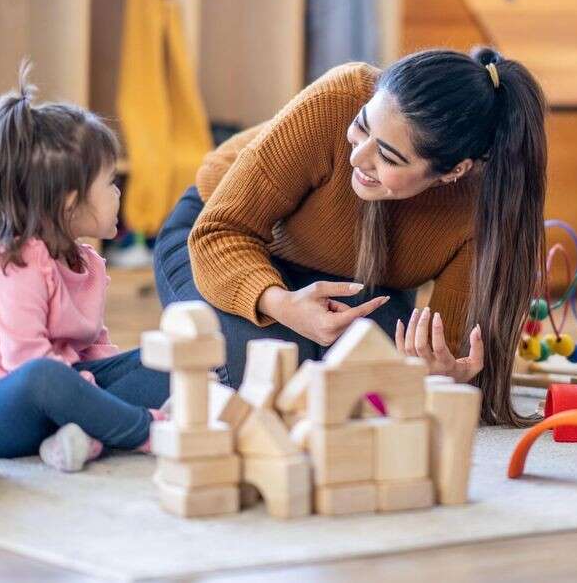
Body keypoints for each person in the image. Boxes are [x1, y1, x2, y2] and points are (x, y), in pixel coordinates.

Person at [155, 48, 547, 425]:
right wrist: (281, 304)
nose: (357, 158)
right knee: (262, 376)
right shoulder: (338, 97)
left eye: (390, 158)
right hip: (220, 235)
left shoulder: (484, 211)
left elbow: (451, 345)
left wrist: (440, 376)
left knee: (364, 385)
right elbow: (220, 231)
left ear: (453, 172)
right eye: (362, 126)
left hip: (356, 279)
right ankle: (98, 384)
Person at [0, 64, 169, 472]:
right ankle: (146, 430)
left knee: (160, 359)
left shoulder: (84, 261)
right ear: (69, 201)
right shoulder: (15, 262)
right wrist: (101, 400)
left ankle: (85, 432)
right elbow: (27, 363)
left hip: (61, 386)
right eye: (111, 182)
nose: (118, 193)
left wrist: (104, 393)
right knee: (44, 376)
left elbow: (95, 348)